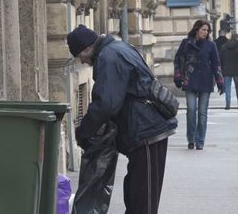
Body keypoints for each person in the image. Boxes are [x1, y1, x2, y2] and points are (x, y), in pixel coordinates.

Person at [67, 24, 177, 214]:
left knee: (143, 200)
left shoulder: (109, 57)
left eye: (81, 57)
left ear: (87, 48)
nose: (83, 62)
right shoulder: (118, 49)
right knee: (135, 194)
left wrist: (83, 132)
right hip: (143, 132)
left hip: (147, 132)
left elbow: (106, 104)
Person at [174, 20, 224, 150]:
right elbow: (178, 60)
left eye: (207, 31)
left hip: (205, 81)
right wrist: (178, 76)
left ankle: (200, 140)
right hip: (189, 80)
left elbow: (216, 64)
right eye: (203, 30)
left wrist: (220, 82)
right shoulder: (186, 43)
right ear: (197, 30)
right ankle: (191, 139)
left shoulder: (211, 45)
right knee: (191, 110)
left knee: (202, 112)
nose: (205, 32)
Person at [220, 33, 238, 109]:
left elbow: (220, 59)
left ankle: (228, 105)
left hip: (226, 71)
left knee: (227, 88)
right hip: (237, 71)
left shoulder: (223, 47)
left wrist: (222, 68)